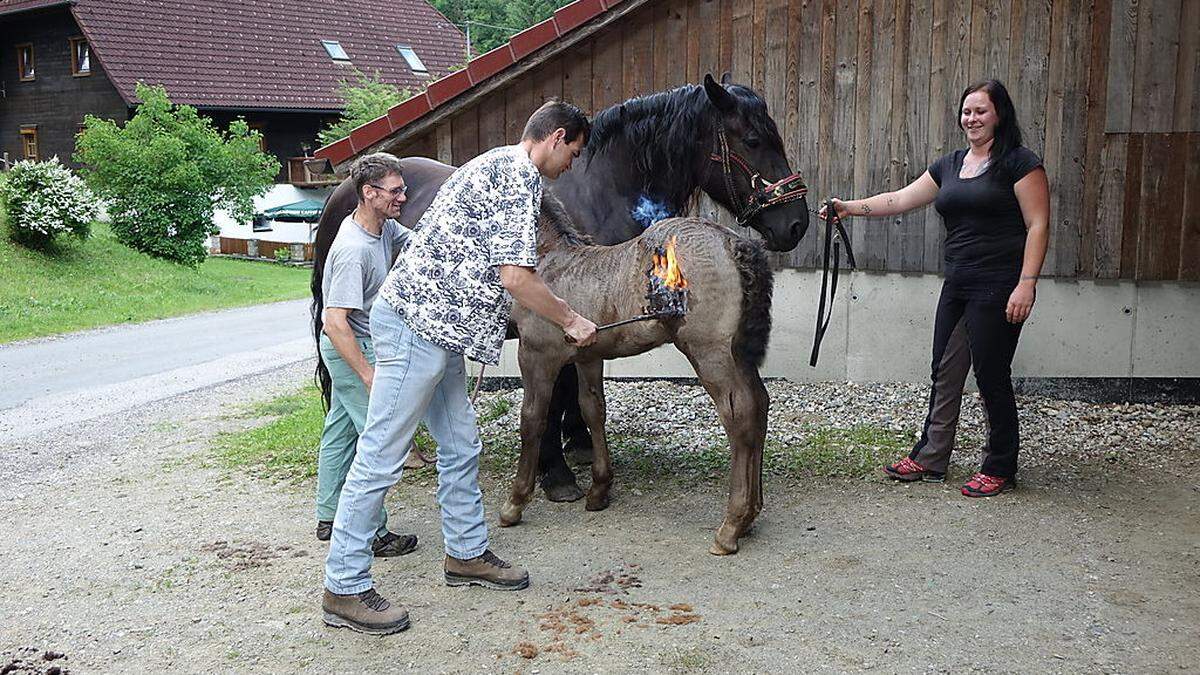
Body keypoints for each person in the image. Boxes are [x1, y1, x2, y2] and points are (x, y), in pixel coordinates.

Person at [321, 100, 599, 635]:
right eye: (575, 152)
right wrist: (571, 319)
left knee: (460, 444)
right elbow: (516, 276)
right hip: (414, 326)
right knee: (381, 454)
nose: (573, 164)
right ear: (557, 137)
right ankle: (344, 585)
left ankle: (466, 553)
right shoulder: (515, 177)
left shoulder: (499, 165)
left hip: (442, 331)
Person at [822, 79, 1049, 498]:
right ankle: (931, 457)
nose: (972, 118)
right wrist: (848, 208)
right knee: (944, 371)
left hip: (1000, 285)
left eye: (980, 111)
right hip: (959, 283)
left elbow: (1038, 224)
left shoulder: (1020, 163)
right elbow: (900, 199)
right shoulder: (950, 165)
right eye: (966, 111)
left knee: (990, 375)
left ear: (999, 114)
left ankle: (1000, 465)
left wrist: (1027, 284)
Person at [316, 152, 420, 556]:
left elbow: (413, 243)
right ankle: (372, 534)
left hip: (354, 347)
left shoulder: (382, 227)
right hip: (349, 349)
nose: (402, 197)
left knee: (340, 429)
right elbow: (334, 322)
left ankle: (328, 515)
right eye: (394, 192)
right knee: (376, 443)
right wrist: (367, 374)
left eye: (403, 189)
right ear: (369, 193)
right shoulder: (352, 249)